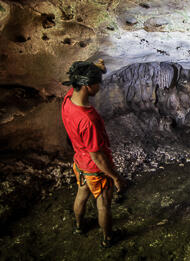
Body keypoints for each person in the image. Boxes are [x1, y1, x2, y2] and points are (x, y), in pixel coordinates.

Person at [61, 59, 126, 248]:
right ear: (88, 86)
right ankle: (108, 238)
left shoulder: (68, 101)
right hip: (94, 168)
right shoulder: (89, 119)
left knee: (82, 194)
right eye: (97, 83)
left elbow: (79, 78)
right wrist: (114, 176)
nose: (100, 86)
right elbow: (97, 155)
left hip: (79, 162)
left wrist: (96, 69)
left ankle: (79, 226)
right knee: (104, 204)